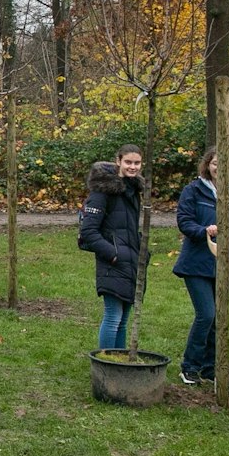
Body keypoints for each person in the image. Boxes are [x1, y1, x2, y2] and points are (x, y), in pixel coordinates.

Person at [79, 146, 145, 351]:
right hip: (112, 262)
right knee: (113, 316)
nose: (132, 167)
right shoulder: (102, 191)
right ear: (118, 161)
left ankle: (120, 360)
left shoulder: (133, 191)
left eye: (136, 163)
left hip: (131, 260)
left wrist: (141, 251)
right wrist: (113, 254)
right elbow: (88, 231)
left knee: (124, 318)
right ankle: (105, 362)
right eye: (128, 162)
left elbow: (131, 227)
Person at [173, 150, 221, 384]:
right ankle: (189, 365)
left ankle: (210, 367)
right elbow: (184, 221)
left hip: (224, 264)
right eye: (214, 163)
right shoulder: (194, 190)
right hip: (196, 263)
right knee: (207, 314)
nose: (219, 168)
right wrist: (204, 230)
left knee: (218, 317)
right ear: (207, 165)